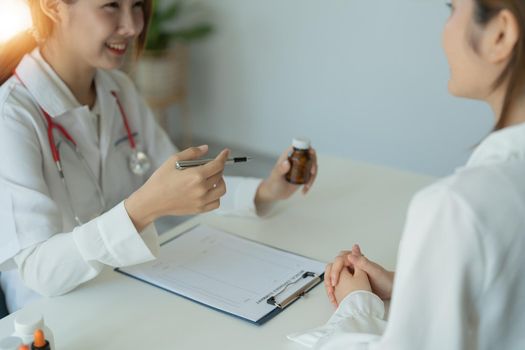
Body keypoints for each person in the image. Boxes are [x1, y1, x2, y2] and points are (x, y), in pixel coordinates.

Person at [0, 0, 318, 313]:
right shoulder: (11, 116)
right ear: (53, 7)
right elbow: (39, 272)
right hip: (53, 315)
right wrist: (142, 208)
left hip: (131, 288)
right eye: (111, 5)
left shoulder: (118, 89)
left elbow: (183, 179)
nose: (133, 25)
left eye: (137, 4)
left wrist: (266, 191)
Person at [288, 0, 525, 349]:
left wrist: (357, 304)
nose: (444, 30)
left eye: (451, 9)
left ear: (500, 34)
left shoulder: (456, 207)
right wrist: (412, 286)